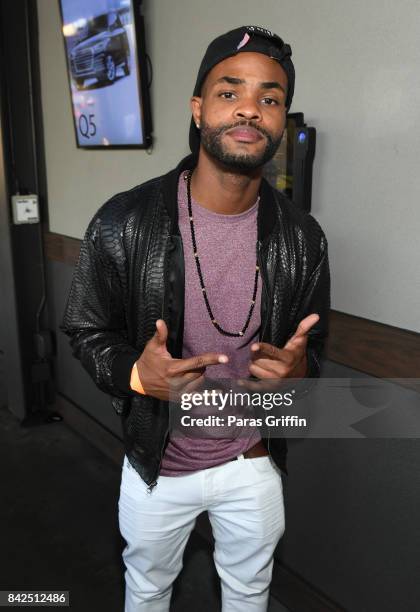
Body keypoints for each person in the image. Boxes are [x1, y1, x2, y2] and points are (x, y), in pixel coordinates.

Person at [62, 25, 330, 612]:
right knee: (148, 590)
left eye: (270, 98)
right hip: (160, 463)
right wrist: (137, 375)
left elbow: (314, 358)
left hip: (251, 462)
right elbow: (84, 328)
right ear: (198, 108)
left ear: (282, 120)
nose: (250, 110)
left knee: (249, 594)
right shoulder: (124, 220)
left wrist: (298, 373)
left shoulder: (303, 239)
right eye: (229, 92)